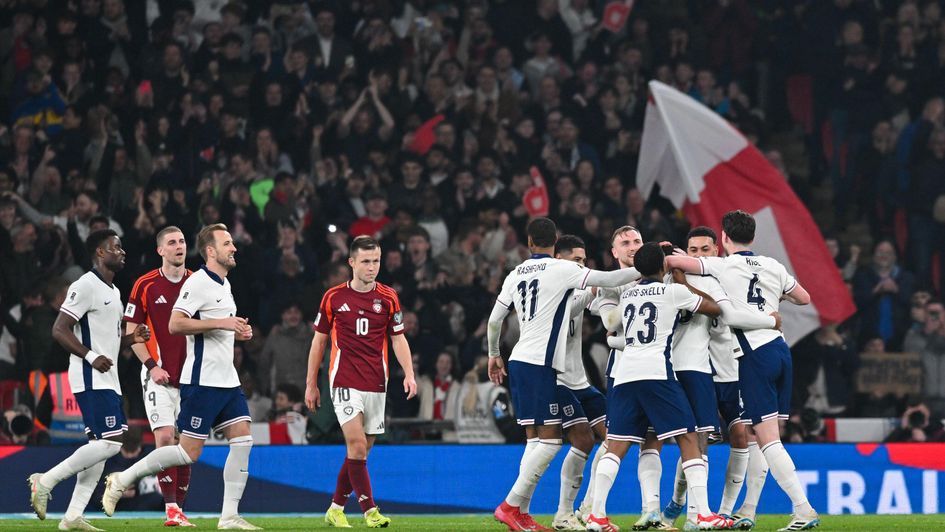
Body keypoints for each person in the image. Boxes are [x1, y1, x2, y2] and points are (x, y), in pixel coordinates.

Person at [666, 210, 820, 531]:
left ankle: (803, 509)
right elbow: (804, 298)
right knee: (761, 435)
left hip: (753, 355)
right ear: (753, 237)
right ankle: (748, 507)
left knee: (767, 440)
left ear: (723, 238)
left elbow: (683, 265)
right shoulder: (773, 265)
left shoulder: (723, 265)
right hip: (780, 350)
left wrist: (674, 255)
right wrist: (772, 303)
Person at [488, 217, 643, 531]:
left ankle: (548, 511)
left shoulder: (517, 273)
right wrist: (652, 264)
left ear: (530, 243)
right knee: (547, 442)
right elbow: (603, 286)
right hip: (542, 368)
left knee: (579, 438)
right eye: (577, 261)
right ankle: (514, 507)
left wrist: (493, 354)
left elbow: (495, 321)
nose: (581, 266)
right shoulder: (563, 273)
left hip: (539, 366)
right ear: (556, 248)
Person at [102, 224, 259, 530]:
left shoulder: (222, 283)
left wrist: (238, 331)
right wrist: (151, 365)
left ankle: (228, 516)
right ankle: (123, 479)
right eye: (228, 243)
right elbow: (174, 324)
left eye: (182, 241)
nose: (234, 248)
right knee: (181, 449)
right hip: (195, 379)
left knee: (243, 442)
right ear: (211, 250)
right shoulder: (192, 283)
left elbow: (216, 329)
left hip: (226, 379)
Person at [586, 242, 731, 532]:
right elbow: (716, 310)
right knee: (689, 438)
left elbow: (614, 330)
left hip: (625, 374)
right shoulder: (673, 292)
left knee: (615, 446)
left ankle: (596, 516)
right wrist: (680, 279)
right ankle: (703, 514)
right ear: (663, 266)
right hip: (657, 373)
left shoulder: (626, 296)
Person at [28, 229, 150, 531]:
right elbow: (59, 329)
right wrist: (90, 356)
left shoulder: (113, 291)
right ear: (99, 252)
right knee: (111, 444)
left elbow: (108, 339)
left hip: (109, 377)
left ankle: (72, 517)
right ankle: (46, 480)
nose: (122, 252)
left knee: (100, 447)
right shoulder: (84, 285)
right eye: (115, 247)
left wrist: (131, 338)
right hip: (90, 375)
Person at [662, 227, 778, 528]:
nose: (699, 255)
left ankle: (725, 511)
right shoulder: (676, 281)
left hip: (736, 370)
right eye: (693, 250)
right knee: (697, 440)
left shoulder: (728, 276)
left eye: (705, 249)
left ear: (717, 249)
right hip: (700, 370)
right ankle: (680, 502)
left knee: (742, 435)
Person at [304, 235, 417, 528]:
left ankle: (335, 508)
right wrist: (311, 384)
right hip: (343, 381)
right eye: (366, 261)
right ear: (351, 262)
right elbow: (318, 343)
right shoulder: (333, 297)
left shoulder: (389, 297)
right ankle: (370, 511)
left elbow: (398, 339)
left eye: (376, 261)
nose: (372, 267)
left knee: (361, 452)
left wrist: (410, 373)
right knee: (355, 445)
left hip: (376, 382)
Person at [122, 225, 194, 527]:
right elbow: (130, 332)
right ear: (160, 250)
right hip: (158, 376)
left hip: (192, 378)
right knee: (164, 437)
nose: (179, 246)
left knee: (187, 449)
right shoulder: (145, 285)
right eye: (172, 243)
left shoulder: (200, 283)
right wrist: (152, 365)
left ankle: (179, 509)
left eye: (182, 241)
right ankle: (171, 508)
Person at [548, 235, 608, 530]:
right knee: (583, 440)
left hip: (581, 380)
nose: (581, 266)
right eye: (576, 261)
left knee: (613, 440)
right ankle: (563, 513)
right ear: (559, 261)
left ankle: (589, 507)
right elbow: (570, 308)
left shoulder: (577, 288)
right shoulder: (549, 293)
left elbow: (597, 303)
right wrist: (595, 282)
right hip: (557, 380)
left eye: (584, 261)